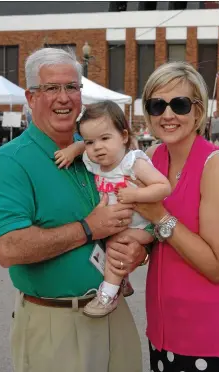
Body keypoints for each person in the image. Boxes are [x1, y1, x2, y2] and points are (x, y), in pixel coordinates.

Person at [0, 48, 148, 372]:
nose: (64, 97)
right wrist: (88, 228)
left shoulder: (97, 148)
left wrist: (139, 254)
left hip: (114, 314)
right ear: (31, 98)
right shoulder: (10, 162)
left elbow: (140, 210)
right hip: (54, 322)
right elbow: (6, 248)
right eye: (52, 88)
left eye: (72, 87)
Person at [125, 61, 219, 372]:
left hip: (211, 339)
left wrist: (160, 216)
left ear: (198, 112)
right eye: (158, 105)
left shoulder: (218, 166)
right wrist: (139, 250)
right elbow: (156, 235)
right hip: (164, 328)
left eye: (179, 104)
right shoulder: (154, 158)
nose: (168, 115)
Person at [54, 100, 171, 317]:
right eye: (90, 142)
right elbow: (84, 148)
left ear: (124, 137)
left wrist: (136, 194)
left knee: (116, 245)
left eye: (105, 138)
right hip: (116, 223)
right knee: (105, 239)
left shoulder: (132, 162)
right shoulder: (96, 161)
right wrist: (74, 149)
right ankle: (121, 281)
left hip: (143, 226)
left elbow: (164, 187)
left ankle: (107, 295)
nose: (97, 147)